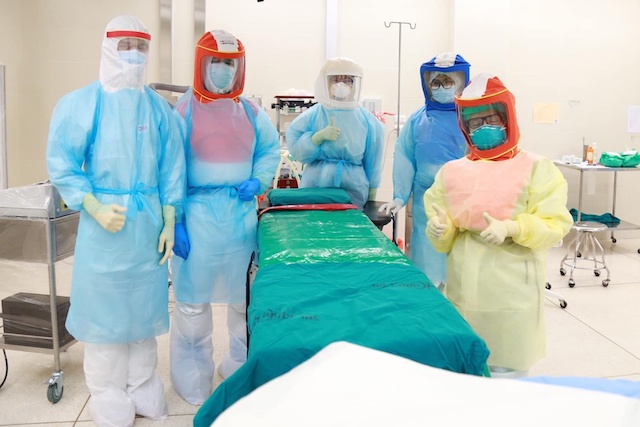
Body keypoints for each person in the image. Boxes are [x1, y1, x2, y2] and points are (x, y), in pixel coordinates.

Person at [46, 15, 185, 426]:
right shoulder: (83, 103)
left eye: (141, 46)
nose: (134, 54)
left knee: (142, 316)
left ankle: (141, 387)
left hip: (146, 227)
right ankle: (108, 395)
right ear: (108, 46)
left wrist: (170, 218)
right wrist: (92, 205)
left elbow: (172, 166)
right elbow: (63, 163)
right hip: (104, 228)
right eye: (125, 45)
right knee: (106, 319)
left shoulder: (158, 109)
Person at [423, 73, 573, 378]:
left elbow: (554, 223)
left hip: (512, 287)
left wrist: (514, 228)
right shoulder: (452, 172)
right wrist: (441, 229)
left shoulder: (536, 168)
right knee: (468, 364)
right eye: (474, 123)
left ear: (507, 117)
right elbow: (443, 227)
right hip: (464, 284)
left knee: (508, 372)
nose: (482, 128)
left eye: (489, 119)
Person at [169, 29, 280, 405]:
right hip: (196, 219)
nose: (224, 70)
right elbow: (170, 168)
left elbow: (269, 150)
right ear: (201, 64)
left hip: (238, 218)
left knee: (241, 300)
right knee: (192, 302)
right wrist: (176, 220)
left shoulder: (249, 112)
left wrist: (258, 180)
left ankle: (239, 364)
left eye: (230, 64)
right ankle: (191, 374)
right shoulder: (183, 111)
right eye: (216, 62)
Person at [379, 52, 470, 288]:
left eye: (448, 82)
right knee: (426, 248)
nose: (441, 87)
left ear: (460, 82)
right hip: (425, 199)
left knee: (460, 256)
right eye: (436, 82)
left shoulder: (470, 117)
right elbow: (405, 157)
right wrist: (400, 196)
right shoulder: (418, 119)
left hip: (462, 199)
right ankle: (428, 295)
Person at [286, 57, 384, 209]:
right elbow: (297, 150)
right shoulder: (314, 114)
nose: (341, 85)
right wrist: (317, 138)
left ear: (354, 84)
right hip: (315, 187)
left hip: (353, 190)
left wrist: (372, 196)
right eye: (336, 80)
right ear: (326, 82)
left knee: (350, 224)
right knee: (314, 223)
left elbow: (374, 161)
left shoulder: (367, 120)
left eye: (347, 80)